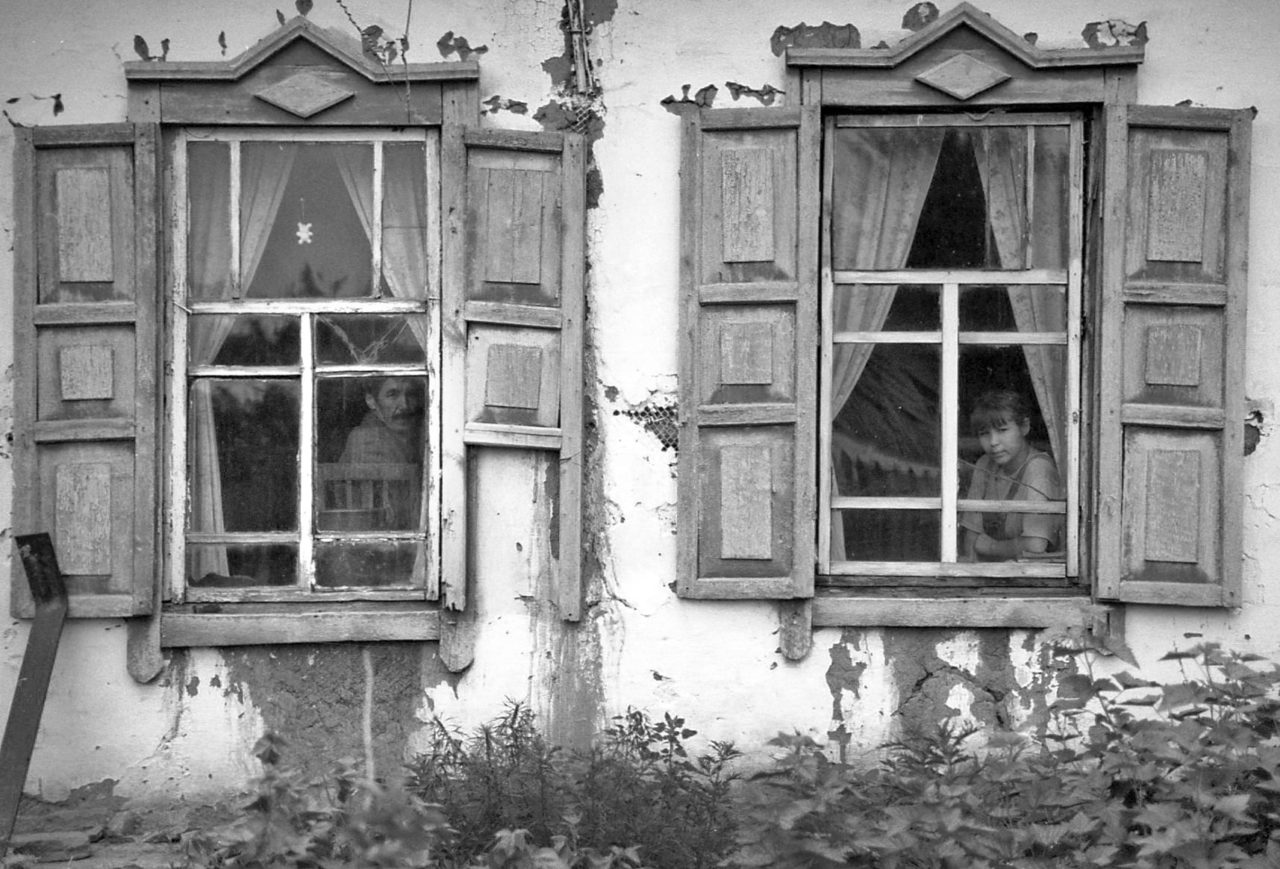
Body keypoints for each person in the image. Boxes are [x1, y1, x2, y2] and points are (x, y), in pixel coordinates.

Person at [959, 390, 1062, 561]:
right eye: (984, 433)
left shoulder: (1038, 468)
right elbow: (972, 534)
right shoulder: (985, 464)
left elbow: (1035, 546)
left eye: (1002, 430)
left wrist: (990, 547)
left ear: (1024, 427)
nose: (993, 442)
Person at [339, 376, 423, 465]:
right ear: (371, 400)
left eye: (411, 394)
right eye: (392, 395)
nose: (404, 405)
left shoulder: (416, 434)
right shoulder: (368, 441)